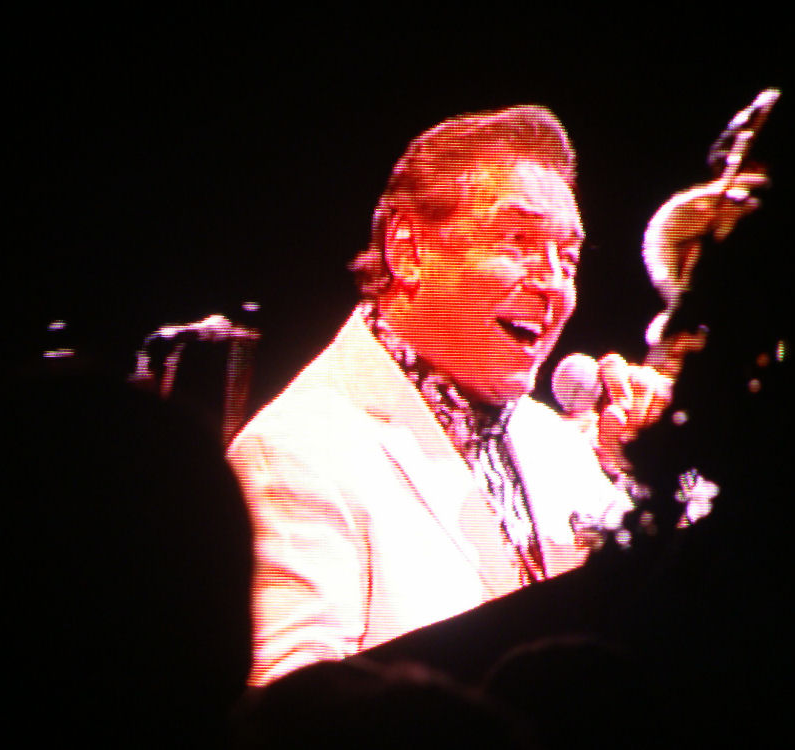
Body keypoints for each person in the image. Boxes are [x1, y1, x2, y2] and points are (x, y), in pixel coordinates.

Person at [228, 105, 765, 686]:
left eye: (568, 257)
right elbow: (291, 711)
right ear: (408, 249)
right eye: (517, 240)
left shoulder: (562, 445)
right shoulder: (292, 453)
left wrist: (653, 472)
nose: (553, 284)